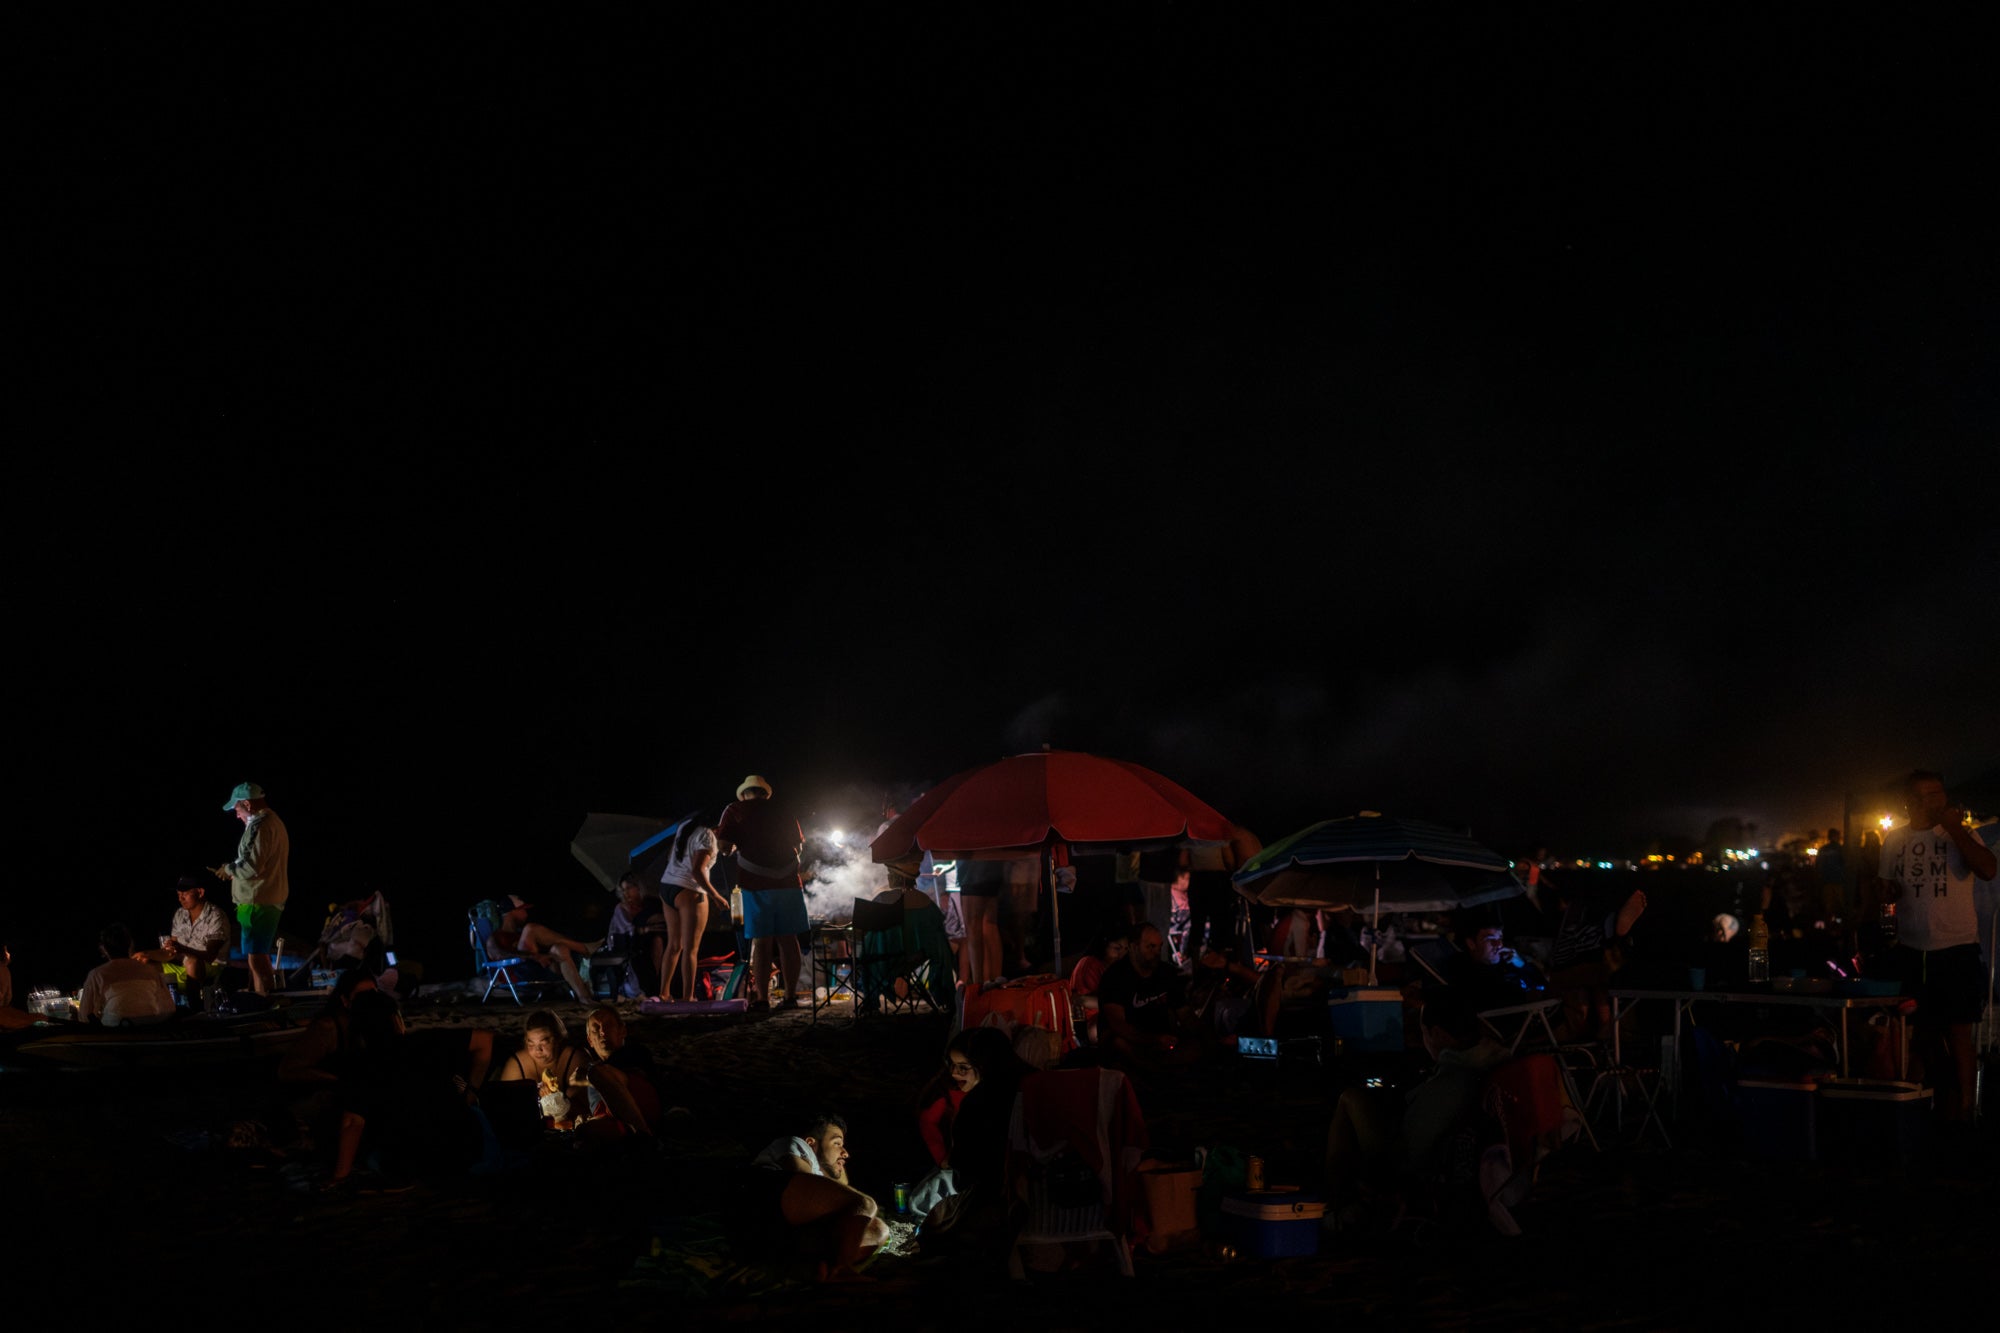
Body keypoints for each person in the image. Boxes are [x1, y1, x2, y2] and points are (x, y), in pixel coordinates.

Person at [1320, 989, 1511, 1233]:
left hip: (1418, 1172)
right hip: (1475, 1164)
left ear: (1439, 1034)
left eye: (1424, 1033)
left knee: (1351, 1099)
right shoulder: (1491, 1060)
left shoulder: (1452, 1081)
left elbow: (1408, 1153)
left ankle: (1338, 1204)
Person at [1876, 770, 1996, 1126]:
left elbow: (1989, 869)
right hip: (1912, 948)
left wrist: (1956, 828)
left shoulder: (1960, 834)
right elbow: (1884, 887)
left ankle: (1964, 1113)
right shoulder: (1894, 839)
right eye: (1927, 795)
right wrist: (1886, 897)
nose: (1936, 801)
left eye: (1939, 794)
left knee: (1958, 1031)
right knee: (1918, 1031)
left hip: (1956, 947)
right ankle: (1917, 1103)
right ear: (1909, 802)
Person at [326, 990, 487, 1190]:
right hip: (463, 1147)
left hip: (411, 1160)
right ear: (396, 1019)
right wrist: (471, 1091)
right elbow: (484, 1041)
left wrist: (340, 1175)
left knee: (372, 1154)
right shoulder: (426, 1041)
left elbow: (352, 1122)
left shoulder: (362, 1065)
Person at [741, 1112, 888, 1281]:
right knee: (866, 1203)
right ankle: (841, 1271)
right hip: (762, 1200)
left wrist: (837, 1163)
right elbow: (799, 1175)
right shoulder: (795, 1143)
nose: (845, 1153)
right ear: (811, 1143)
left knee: (878, 1228)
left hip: (786, 1231)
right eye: (837, 1143)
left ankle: (823, 1267)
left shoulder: (818, 1171)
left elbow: (844, 1191)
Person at [716, 775, 807, 1009]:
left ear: (745, 793)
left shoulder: (734, 809)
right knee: (789, 940)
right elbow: (798, 845)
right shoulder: (784, 809)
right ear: (765, 793)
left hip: (755, 883)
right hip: (788, 882)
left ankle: (763, 999)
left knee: (762, 941)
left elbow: (724, 847)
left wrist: (734, 848)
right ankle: (789, 997)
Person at [210, 781, 290, 997]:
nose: (237, 815)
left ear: (247, 804)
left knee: (256, 957)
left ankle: (266, 1001)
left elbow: (251, 866)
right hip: (263, 899)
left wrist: (228, 869)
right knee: (258, 956)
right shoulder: (273, 823)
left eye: (237, 809)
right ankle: (260, 998)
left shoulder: (261, 824)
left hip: (258, 900)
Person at [1096, 924, 1200, 1068]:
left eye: (1159, 946)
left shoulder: (1166, 973)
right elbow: (1118, 1025)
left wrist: (1200, 1033)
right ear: (1133, 947)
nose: (1157, 952)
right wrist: (1153, 1040)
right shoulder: (1115, 978)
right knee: (1119, 1044)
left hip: (1161, 1041)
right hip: (1131, 1042)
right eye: (1150, 947)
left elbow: (1184, 1013)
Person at [655, 809, 731, 1003]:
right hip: (689, 890)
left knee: (674, 945)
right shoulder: (708, 836)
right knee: (690, 949)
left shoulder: (685, 828)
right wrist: (716, 896)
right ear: (718, 825)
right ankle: (688, 996)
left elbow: (671, 856)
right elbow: (697, 871)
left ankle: (664, 993)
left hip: (667, 886)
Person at [131, 873, 233, 994]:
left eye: (184, 894)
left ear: (200, 892)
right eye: (179, 894)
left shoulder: (215, 915)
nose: (180, 898)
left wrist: (182, 949)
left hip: (209, 968)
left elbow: (210, 956)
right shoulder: (180, 914)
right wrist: (146, 954)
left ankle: (194, 1005)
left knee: (192, 962)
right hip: (182, 964)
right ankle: (160, 1006)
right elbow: (172, 952)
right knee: (144, 963)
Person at [486, 895, 597, 1005]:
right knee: (531, 929)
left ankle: (584, 996)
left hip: (540, 971)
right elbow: (497, 954)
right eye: (523, 910)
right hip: (519, 974)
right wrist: (534, 956)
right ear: (512, 911)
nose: (526, 914)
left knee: (559, 949)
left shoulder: (521, 936)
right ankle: (584, 948)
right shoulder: (496, 937)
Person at [573, 1005, 663, 1139]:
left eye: (608, 1025)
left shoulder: (635, 1052)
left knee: (597, 1073)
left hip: (641, 1107)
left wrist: (589, 1077)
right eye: (596, 1029)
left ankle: (643, 1135)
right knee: (582, 1130)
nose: (602, 1032)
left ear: (622, 1031)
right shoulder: (592, 1067)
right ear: (590, 1040)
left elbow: (639, 1079)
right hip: (613, 1119)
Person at [493, 1009, 593, 1126]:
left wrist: (557, 1100)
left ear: (557, 1039)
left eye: (544, 1043)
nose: (538, 1050)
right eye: (531, 1044)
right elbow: (504, 1108)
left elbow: (589, 1106)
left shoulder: (575, 1058)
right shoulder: (518, 1063)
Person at [1436, 917, 1551, 1015]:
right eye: (1490, 939)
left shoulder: (1505, 960)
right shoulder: (1465, 971)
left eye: (1500, 938)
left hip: (1542, 1010)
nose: (1499, 944)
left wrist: (1522, 965)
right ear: (1471, 944)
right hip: (1525, 1023)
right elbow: (1491, 999)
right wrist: (1529, 995)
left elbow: (1543, 984)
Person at [78, 923, 176, 1026]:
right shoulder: (150, 970)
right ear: (130, 945)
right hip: (149, 1030)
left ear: (103, 949)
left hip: (114, 1032)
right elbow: (168, 1009)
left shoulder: (97, 974)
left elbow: (85, 1016)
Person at [608, 871, 668, 1000]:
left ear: (638, 888)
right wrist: (644, 929)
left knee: (658, 940)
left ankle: (655, 980)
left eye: (629, 888)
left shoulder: (649, 905)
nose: (626, 893)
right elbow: (624, 931)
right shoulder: (621, 908)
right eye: (623, 890)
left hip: (645, 942)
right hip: (623, 942)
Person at [955, 856, 1006, 989]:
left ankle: (978, 984)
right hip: (993, 864)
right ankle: (995, 979)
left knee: (973, 926)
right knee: (990, 924)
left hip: (972, 868)